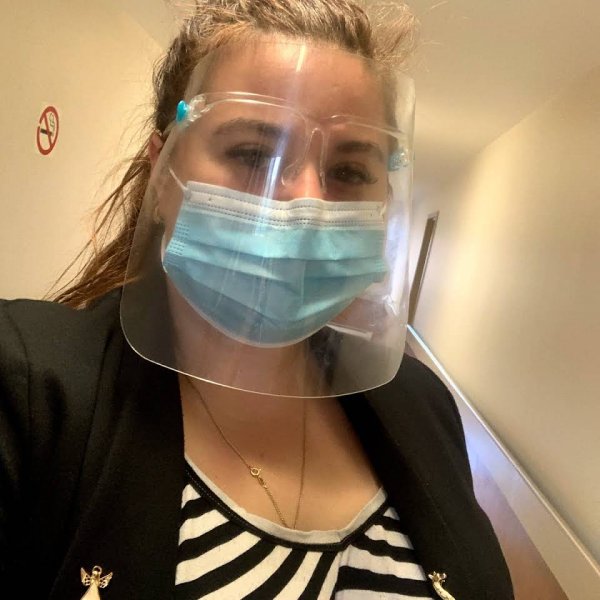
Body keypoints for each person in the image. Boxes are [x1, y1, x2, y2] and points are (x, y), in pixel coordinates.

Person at [0, 1, 513, 598]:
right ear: (163, 175)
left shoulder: (423, 403)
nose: (306, 205)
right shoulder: (26, 387)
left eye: (350, 171)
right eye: (252, 154)